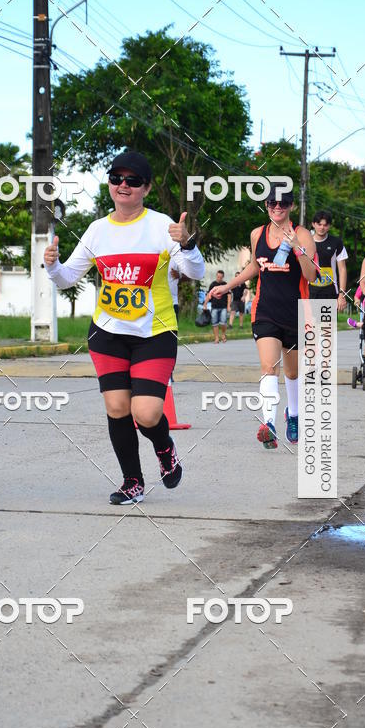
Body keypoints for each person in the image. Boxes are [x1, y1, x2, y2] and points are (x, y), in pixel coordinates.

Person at [44, 150, 204, 504]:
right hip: (107, 333)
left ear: (145, 188)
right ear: (110, 184)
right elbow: (68, 277)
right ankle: (132, 481)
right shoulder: (98, 230)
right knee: (117, 407)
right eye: (117, 178)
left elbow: (195, 273)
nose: (123, 186)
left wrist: (187, 244)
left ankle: (165, 449)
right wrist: (53, 267)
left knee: (146, 412)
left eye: (133, 180)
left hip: (154, 333)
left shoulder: (163, 226)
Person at [209, 186, 316, 449]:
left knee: (292, 372)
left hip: (295, 313)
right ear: (266, 205)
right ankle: (268, 423)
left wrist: (297, 249)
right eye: (272, 203)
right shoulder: (258, 234)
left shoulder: (302, 234)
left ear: (291, 206)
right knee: (269, 367)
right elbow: (255, 266)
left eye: (282, 203)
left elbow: (312, 276)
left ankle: (293, 414)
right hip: (265, 310)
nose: (277, 207)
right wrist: (228, 286)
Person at [309, 210, 348, 312]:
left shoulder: (337, 243)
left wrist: (341, 294)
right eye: (319, 224)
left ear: (329, 226)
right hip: (309, 293)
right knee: (309, 328)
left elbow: (342, 269)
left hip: (329, 292)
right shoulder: (305, 241)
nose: (322, 227)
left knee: (325, 328)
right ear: (313, 224)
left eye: (325, 225)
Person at [203, 269, 230, 343]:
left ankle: (223, 335)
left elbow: (229, 295)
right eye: (218, 277)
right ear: (216, 276)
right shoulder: (213, 284)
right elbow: (209, 294)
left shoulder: (225, 284)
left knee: (223, 322)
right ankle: (216, 338)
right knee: (214, 323)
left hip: (223, 307)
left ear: (223, 277)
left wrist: (228, 306)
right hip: (214, 306)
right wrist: (205, 304)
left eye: (220, 277)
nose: (219, 278)